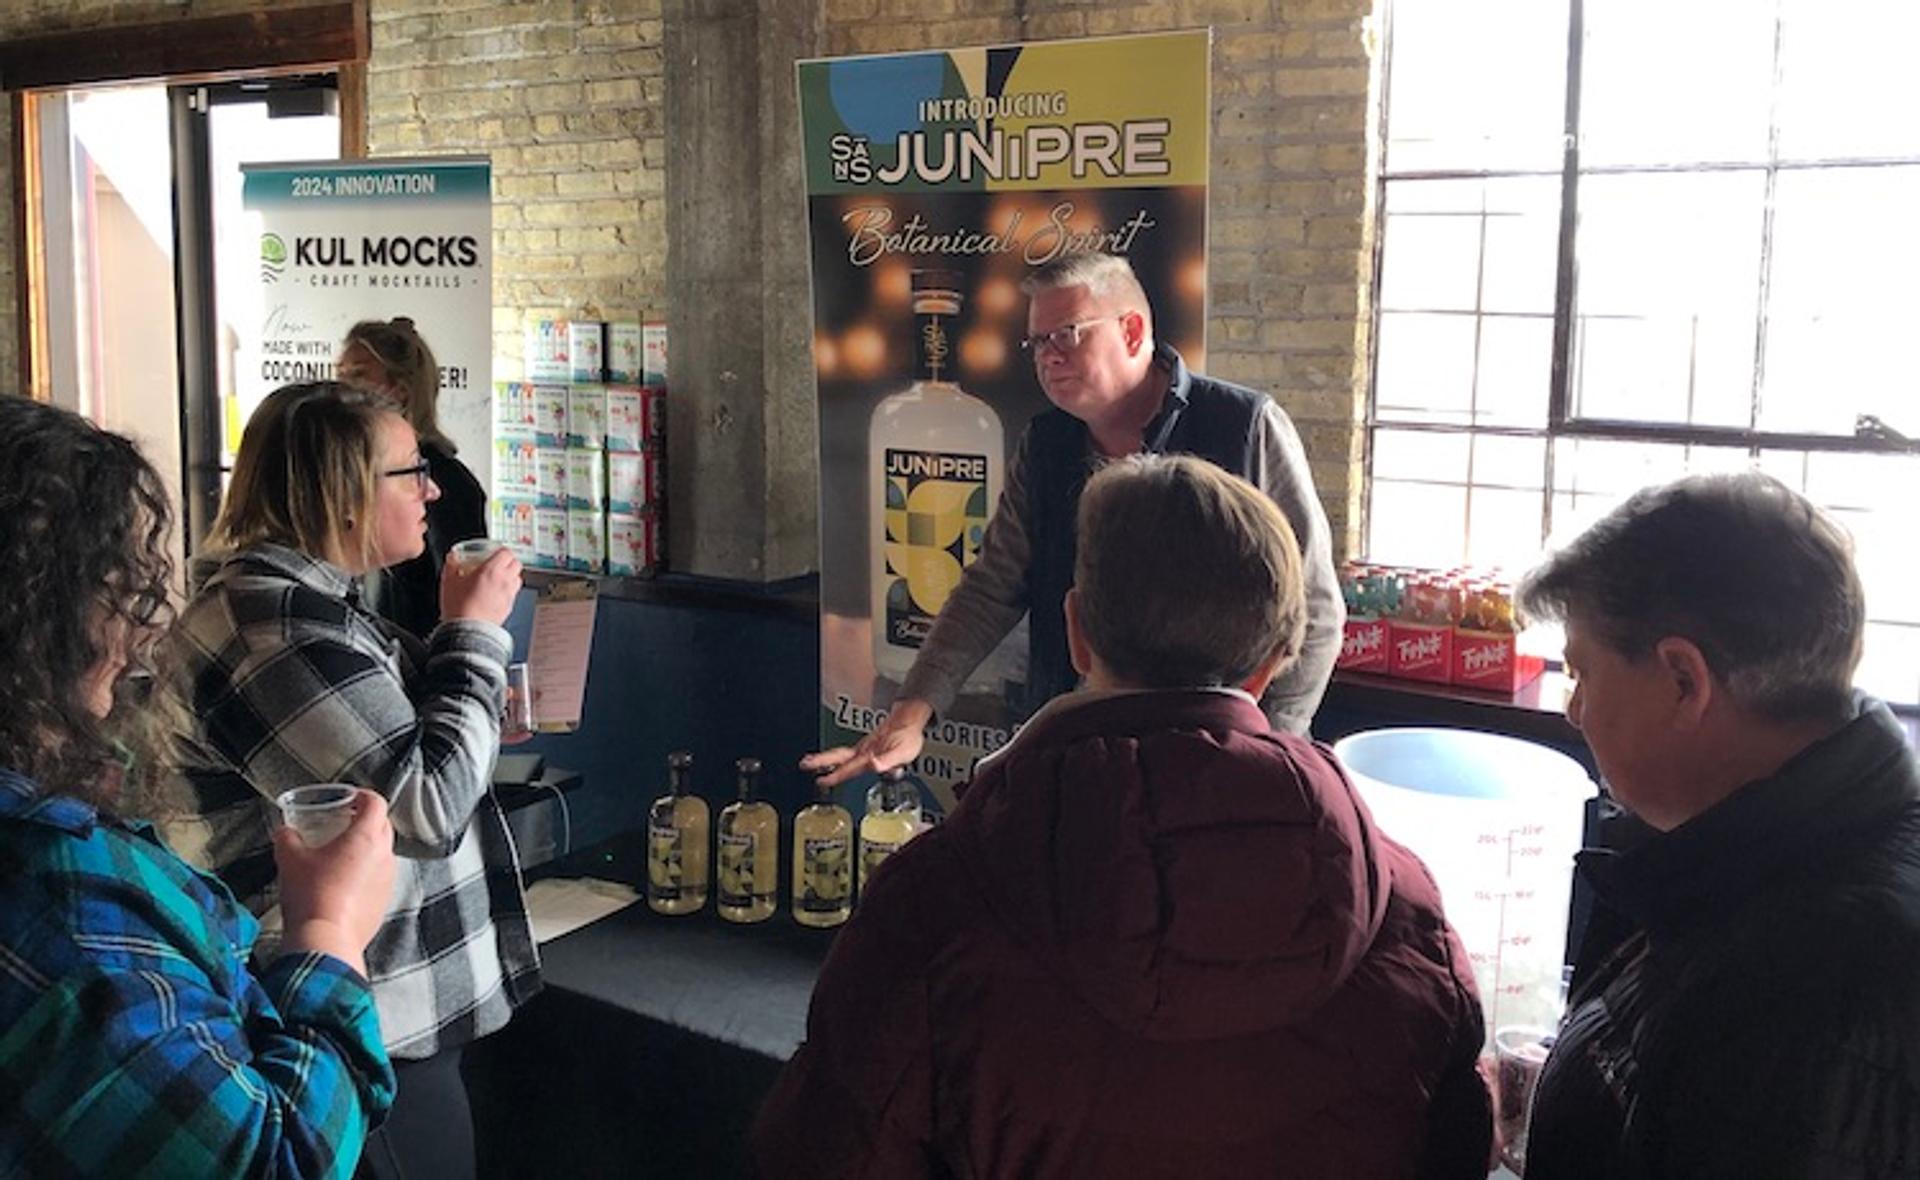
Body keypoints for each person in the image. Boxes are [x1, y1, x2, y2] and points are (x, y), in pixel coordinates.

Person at [755, 455, 1490, 1177]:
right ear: (1274, 662)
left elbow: (822, 1153)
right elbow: (1458, 1147)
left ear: (1077, 633)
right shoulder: (1405, 901)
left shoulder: (931, 901)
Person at [0, 394, 398, 1177]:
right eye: (113, 581)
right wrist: (328, 929)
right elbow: (277, 1158)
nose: (139, 628)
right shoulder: (64, 905)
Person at [165, 382, 540, 1180]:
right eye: (411, 471)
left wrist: (463, 695)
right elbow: (426, 808)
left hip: (385, 1017)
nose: (433, 491)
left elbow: (411, 760)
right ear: (342, 492)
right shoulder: (273, 630)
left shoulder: (316, 606)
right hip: (361, 1028)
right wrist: (473, 633)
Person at [808, 251, 1345, 786]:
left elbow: (1313, 612)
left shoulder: (1245, 426)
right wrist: (911, 711)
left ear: (1132, 332)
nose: (1047, 358)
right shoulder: (1047, 443)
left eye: (1065, 334)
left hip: (1210, 757)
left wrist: (1269, 745)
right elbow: (991, 587)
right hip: (1075, 753)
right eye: (1037, 342)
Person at [1515, 472, 1920, 1178]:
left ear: (1682, 681)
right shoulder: (1750, 853)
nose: (1574, 712)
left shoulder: (1813, 994)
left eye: (1582, 674)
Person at [338, 316, 488, 639]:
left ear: (401, 393)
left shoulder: (450, 483)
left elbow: (459, 594)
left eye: (358, 375)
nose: (342, 388)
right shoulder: (341, 473)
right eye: (340, 375)